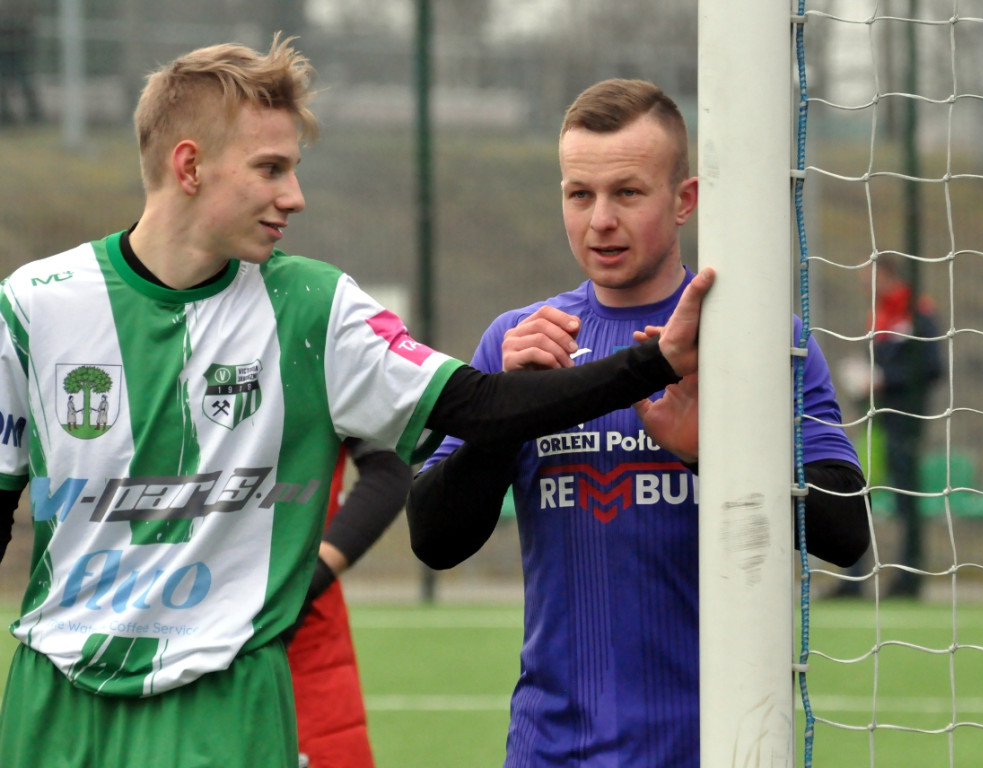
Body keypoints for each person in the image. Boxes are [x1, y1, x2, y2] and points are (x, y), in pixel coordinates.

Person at [0, 39, 715, 768]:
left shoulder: (315, 307)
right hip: (50, 700)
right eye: (270, 169)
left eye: (294, 169)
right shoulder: (34, 305)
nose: (294, 196)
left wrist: (651, 362)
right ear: (189, 166)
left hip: (223, 698)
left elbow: (476, 407)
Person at [406, 78, 869, 768]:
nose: (599, 221)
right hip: (551, 750)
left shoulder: (758, 337)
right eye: (579, 194)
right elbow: (436, 540)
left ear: (683, 200)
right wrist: (506, 408)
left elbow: (846, 533)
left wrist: (714, 453)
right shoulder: (521, 340)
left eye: (626, 192)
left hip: (718, 747)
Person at [284, 439, 411, 768]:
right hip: (158, 632)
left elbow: (389, 468)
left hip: (303, 645)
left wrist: (306, 582)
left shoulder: (315, 384)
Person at [835, 254, 943, 598]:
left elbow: (932, 366)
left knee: (904, 498)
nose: (863, 284)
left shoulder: (918, 312)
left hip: (905, 423)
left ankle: (909, 580)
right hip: (875, 422)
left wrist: (884, 381)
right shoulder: (879, 316)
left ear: (886, 275)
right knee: (856, 490)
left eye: (868, 277)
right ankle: (852, 581)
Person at [0, 0, 42, 126]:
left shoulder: (21, 10)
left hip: (17, 54)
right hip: (4, 54)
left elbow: (30, 25)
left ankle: (35, 116)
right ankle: (7, 117)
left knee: (25, 83)